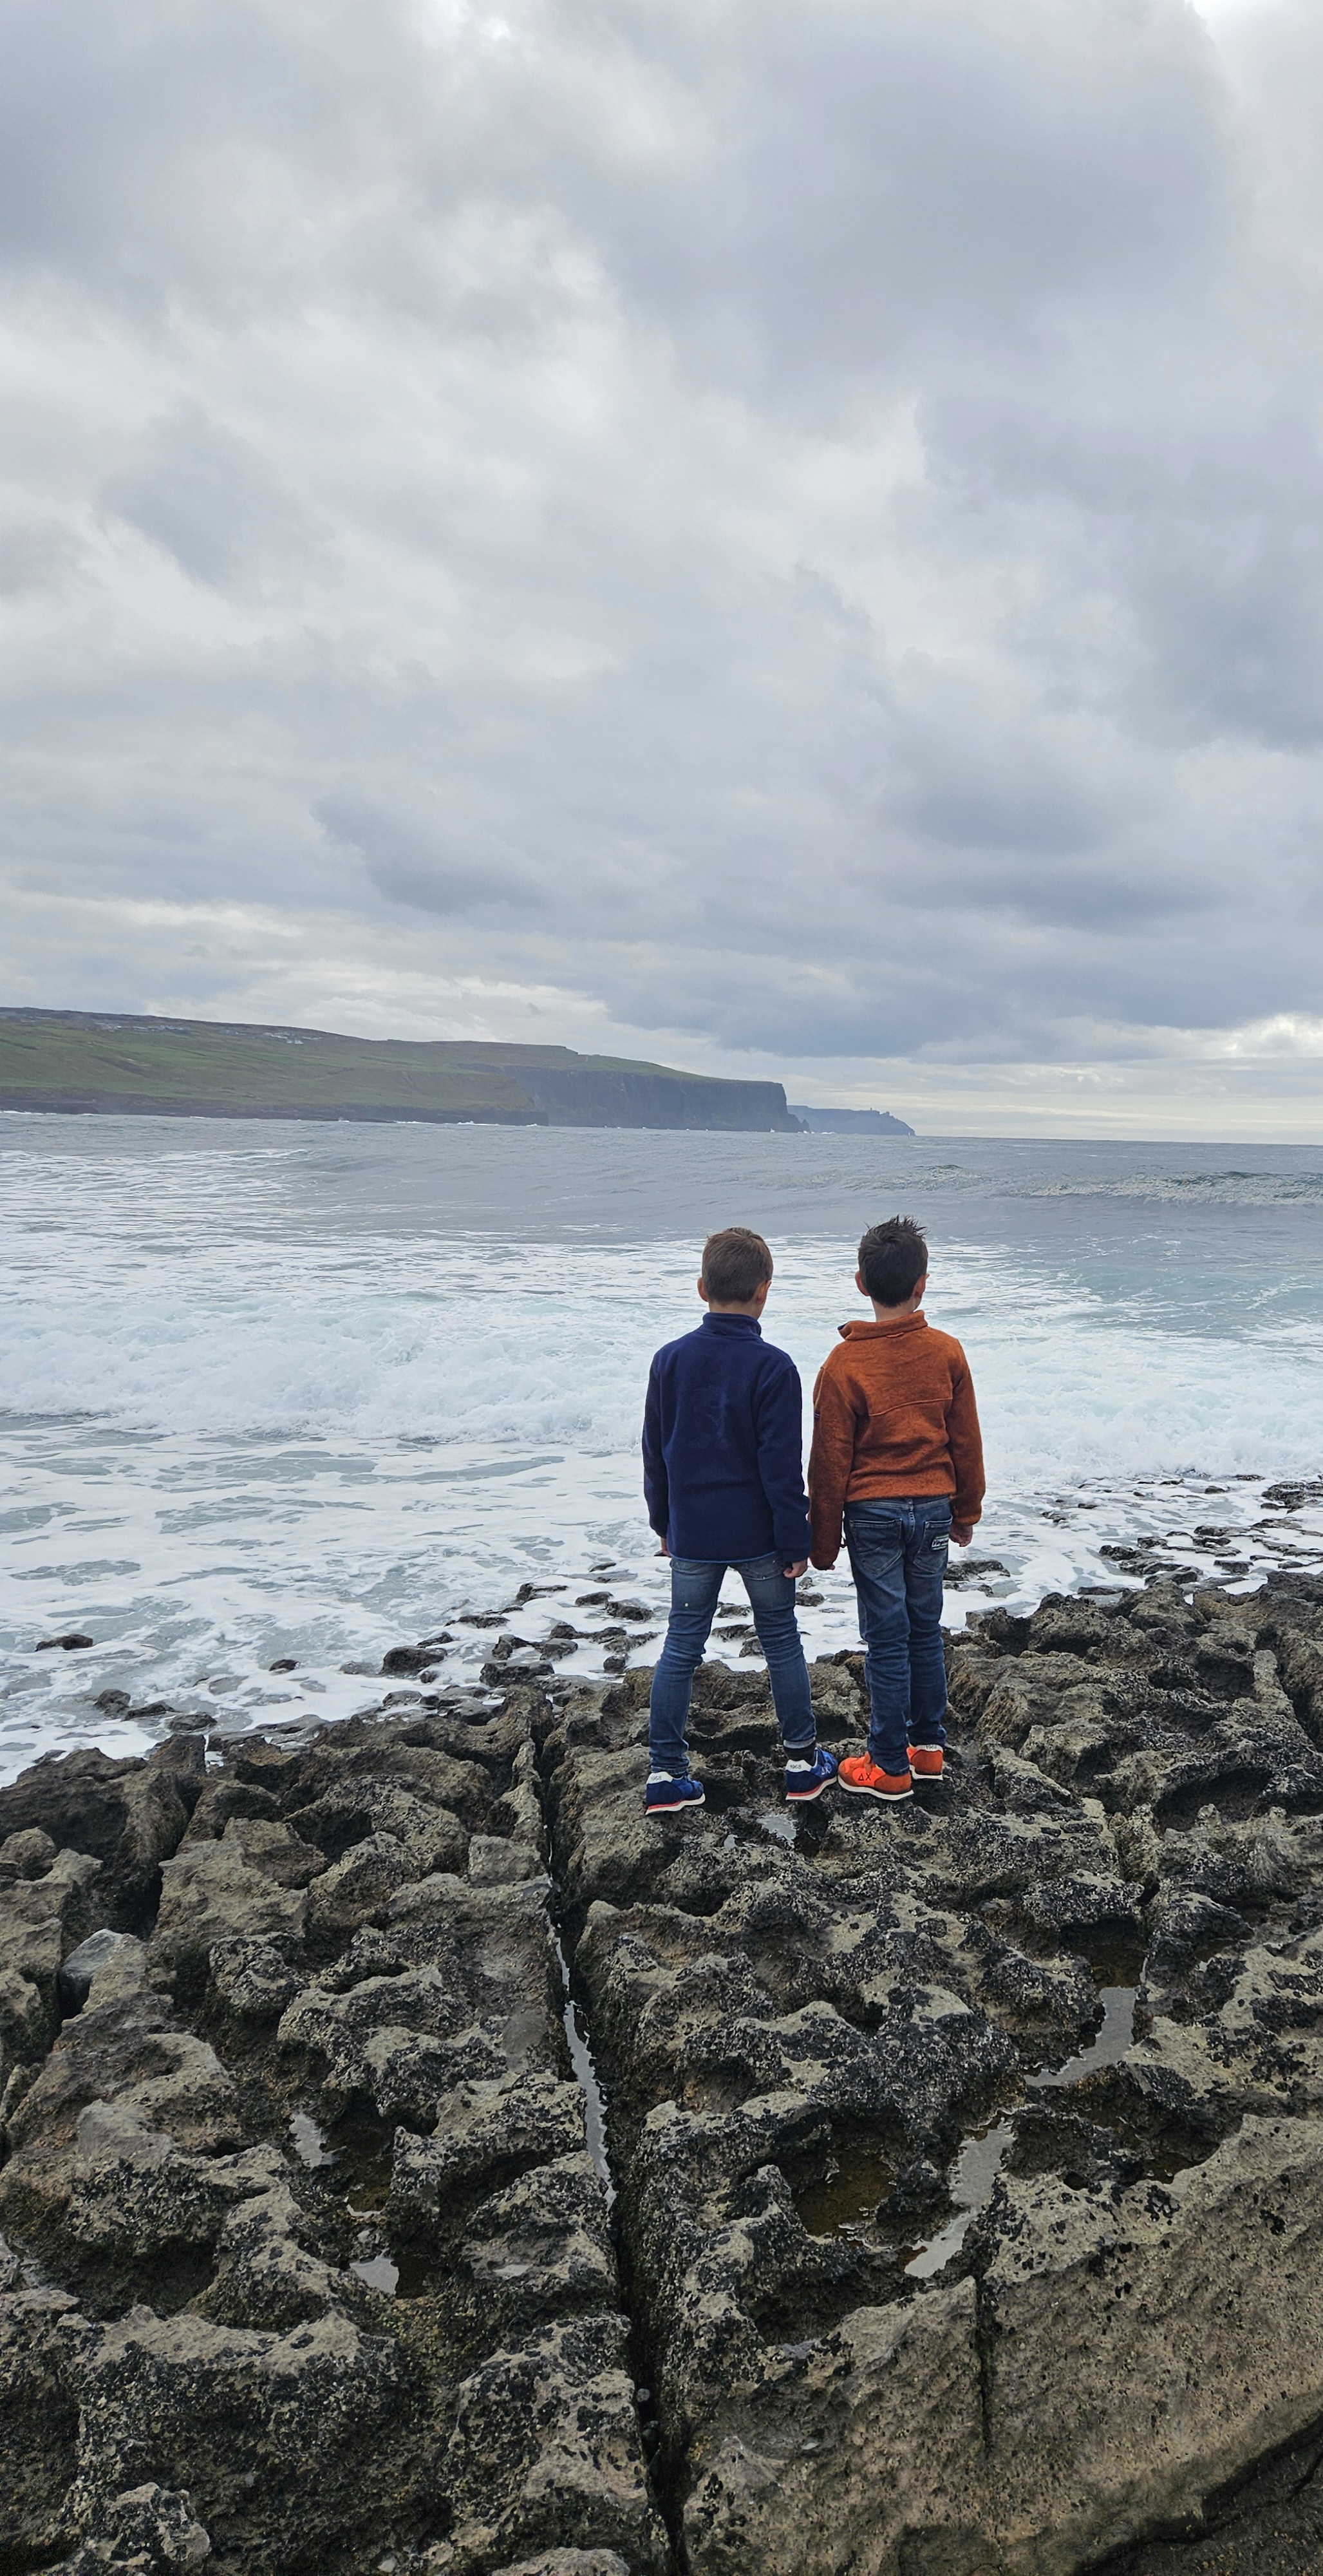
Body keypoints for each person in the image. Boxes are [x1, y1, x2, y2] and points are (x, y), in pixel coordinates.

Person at [641, 1226, 837, 1818]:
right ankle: (802, 1764)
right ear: (764, 1292)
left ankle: (665, 1773)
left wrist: (662, 1523)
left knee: (681, 1646)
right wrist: (794, 1538)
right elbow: (779, 1468)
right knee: (780, 1640)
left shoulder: (668, 1360)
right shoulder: (773, 1367)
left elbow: (656, 1452)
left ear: (702, 1288)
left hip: (693, 1531)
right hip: (757, 1534)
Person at [807, 1215, 984, 1803]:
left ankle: (886, 1765)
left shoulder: (842, 1366)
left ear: (860, 1283)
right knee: (923, 1630)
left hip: (873, 1514)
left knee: (886, 1639)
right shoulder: (946, 1352)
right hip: (932, 1508)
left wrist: (823, 1540)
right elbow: (965, 1441)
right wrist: (966, 1510)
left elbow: (829, 1462)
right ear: (922, 1284)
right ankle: (927, 1749)